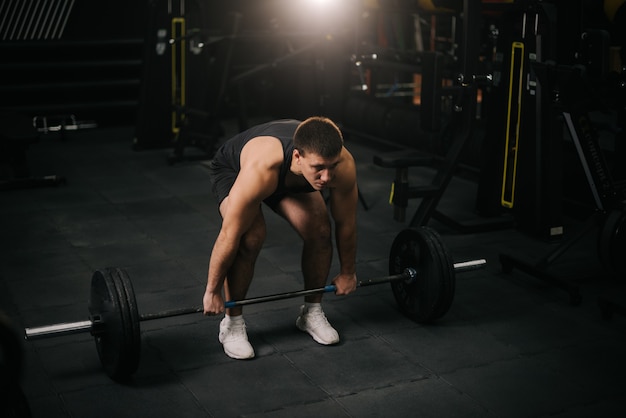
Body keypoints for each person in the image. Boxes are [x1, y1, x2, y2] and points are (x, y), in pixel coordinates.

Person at [202, 116, 359, 360]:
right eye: (319, 168)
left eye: (332, 166)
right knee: (250, 236)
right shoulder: (261, 169)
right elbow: (228, 234)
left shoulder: (342, 166)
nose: (327, 178)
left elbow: (346, 223)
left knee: (320, 231)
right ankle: (232, 324)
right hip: (235, 170)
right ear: (298, 157)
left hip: (288, 176)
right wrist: (212, 291)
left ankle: (312, 312)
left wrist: (348, 272)